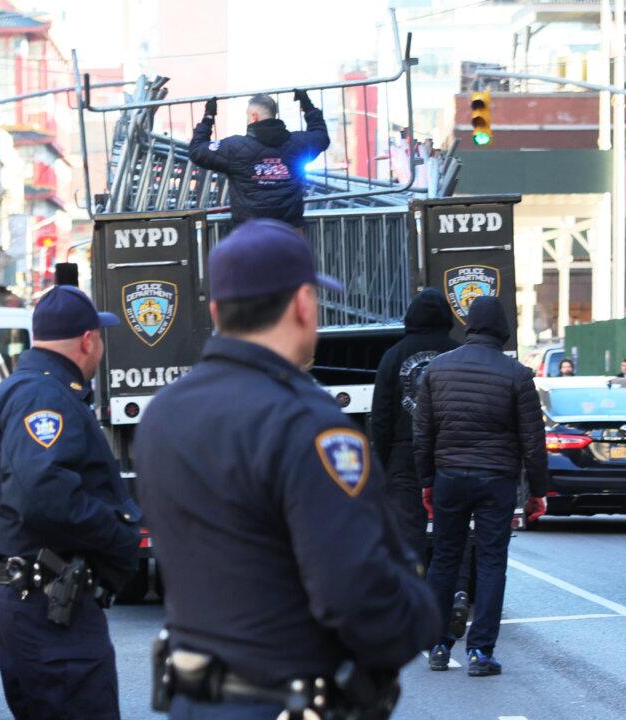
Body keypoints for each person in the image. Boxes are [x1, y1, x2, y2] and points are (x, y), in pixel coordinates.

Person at [133, 219, 439, 719]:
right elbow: (355, 592)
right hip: (288, 701)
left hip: (194, 701)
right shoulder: (309, 424)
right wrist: (423, 614)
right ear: (302, 303)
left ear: (216, 310)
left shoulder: (163, 414)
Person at [0, 285, 142, 720]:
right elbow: (42, 494)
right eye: (99, 337)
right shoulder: (43, 396)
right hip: (46, 606)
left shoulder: (32, 390)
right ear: (88, 340)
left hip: (37, 602)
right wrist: (118, 532)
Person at [413, 297, 548, 677]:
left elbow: (423, 434)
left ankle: (438, 645)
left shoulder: (437, 370)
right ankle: (480, 652)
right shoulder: (517, 375)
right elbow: (533, 441)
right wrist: (538, 490)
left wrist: (427, 482)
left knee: (444, 559)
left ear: (469, 325)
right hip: (496, 480)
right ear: (502, 328)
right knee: (490, 562)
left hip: (449, 477)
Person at [370, 287, 460, 562]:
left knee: (407, 536)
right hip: (450, 453)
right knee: (452, 534)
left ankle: (413, 585)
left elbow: (381, 415)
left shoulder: (393, 356)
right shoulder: (458, 353)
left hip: (404, 454)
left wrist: (384, 462)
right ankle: (451, 585)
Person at [189, 91, 330, 231]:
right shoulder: (297, 143)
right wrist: (308, 106)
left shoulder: (234, 147)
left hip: (249, 233)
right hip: (289, 231)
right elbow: (321, 136)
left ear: (254, 117)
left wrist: (208, 117)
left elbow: (197, 150)